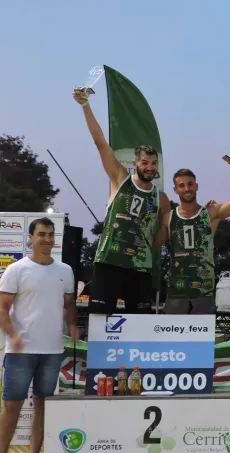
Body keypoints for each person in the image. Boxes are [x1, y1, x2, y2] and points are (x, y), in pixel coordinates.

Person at [0, 218, 78, 453]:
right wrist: (13, 335)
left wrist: (73, 325)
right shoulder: (16, 269)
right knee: (12, 404)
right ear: (31, 237)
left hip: (52, 350)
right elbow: (2, 308)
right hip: (20, 351)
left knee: (42, 402)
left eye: (50, 234)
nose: (47, 239)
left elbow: (69, 304)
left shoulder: (65, 270)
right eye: (41, 234)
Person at [73, 88, 171, 314]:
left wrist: (161, 231)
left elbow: (160, 239)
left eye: (154, 163)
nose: (150, 167)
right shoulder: (120, 178)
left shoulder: (161, 198)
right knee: (99, 319)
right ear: (136, 163)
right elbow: (100, 142)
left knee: (141, 323)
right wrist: (85, 106)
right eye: (145, 162)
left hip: (139, 268)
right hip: (109, 262)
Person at [160, 156, 230, 314]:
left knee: (202, 338)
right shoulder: (168, 217)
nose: (187, 189)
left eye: (190, 184)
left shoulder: (210, 213)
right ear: (175, 190)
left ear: (196, 186)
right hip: (176, 291)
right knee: (172, 338)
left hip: (203, 291)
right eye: (181, 185)